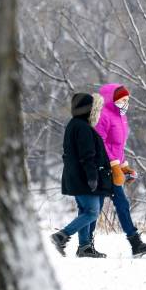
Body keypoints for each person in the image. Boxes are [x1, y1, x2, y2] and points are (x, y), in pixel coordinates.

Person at [95, 83, 146, 257]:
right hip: (103, 168)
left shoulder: (121, 117)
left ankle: (135, 244)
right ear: (111, 99)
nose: (126, 103)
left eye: (127, 100)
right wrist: (114, 164)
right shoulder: (103, 116)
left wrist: (124, 166)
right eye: (122, 100)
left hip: (114, 167)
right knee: (96, 208)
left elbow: (118, 147)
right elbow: (99, 143)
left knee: (115, 205)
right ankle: (77, 241)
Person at [50, 92, 113, 258]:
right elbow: (87, 155)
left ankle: (85, 247)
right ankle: (61, 236)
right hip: (84, 178)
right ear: (87, 108)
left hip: (76, 177)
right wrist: (92, 176)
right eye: (92, 106)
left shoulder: (75, 124)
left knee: (85, 210)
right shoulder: (82, 127)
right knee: (92, 212)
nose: (94, 110)